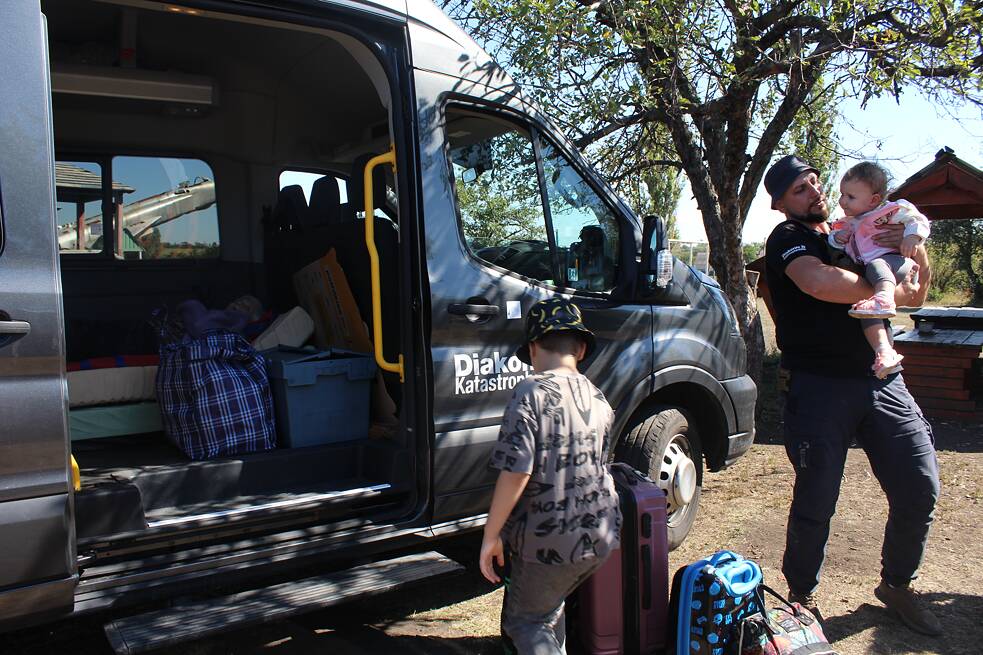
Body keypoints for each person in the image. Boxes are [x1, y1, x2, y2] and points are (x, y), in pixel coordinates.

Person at [763, 155, 942, 636]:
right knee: (816, 498)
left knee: (920, 485)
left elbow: (918, 293)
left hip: (882, 379)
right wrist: (885, 289)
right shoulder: (788, 239)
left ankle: (897, 584)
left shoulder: (854, 227)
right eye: (800, 190)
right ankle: (800, 596)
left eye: (815, 183)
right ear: (780, 203)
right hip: (819, 386)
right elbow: (819, 282)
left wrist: (909, 241)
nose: (815, 193)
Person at [479, 297, 622, 654]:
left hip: (548, 542)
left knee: (526, 621)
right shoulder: (599, 399)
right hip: (600, 537)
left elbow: (516, 472)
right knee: (548, 605)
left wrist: (491, 536)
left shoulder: (530, 394)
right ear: (582, 348)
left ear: (531, 349)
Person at [830, 161, 931, 378]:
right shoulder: (850, 222)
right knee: (867, 311)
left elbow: (918, 220)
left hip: (896, 264)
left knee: (877, 267)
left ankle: (884, 296)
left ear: (874, 199)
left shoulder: (890, 211)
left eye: (850, 197)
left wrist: (912, 237)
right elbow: (835, 242)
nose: (842, 201)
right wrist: (838, 239)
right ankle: (884, 352)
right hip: (876, 275)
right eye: (842, 194)